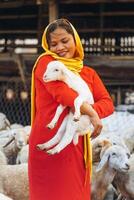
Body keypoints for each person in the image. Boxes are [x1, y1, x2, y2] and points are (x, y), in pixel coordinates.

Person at [28, 18, 114, 200]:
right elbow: (63, 95)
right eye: (54, 44)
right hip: (47, 140)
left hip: (76, 145)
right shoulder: (47, 63)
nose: (59, 47)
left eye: (65, 41)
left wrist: (91, 110)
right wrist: (92, 114)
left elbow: (107, 103)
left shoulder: (88, 73)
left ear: (75, 40)